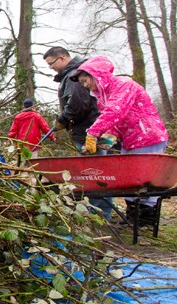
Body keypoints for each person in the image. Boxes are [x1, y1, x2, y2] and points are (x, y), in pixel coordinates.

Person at [70, 56, 169, 225]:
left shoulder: (124, 85)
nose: (85, 85)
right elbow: (113, 122)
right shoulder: (103, 96)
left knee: (145, 179)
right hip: (130, 140)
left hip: (148, 136)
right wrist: (107, 140)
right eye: (82, 83)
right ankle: (134, 217)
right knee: (130, 178)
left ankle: (146, 219)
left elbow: (115, 112)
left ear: (97, 75)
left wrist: (93, 133)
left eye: (85, 80)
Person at [44, 46, 112, 221]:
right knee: (96, 172)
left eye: (51, 63)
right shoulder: (71, 76)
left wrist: (63, 119)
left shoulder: (75, 75)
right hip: (85, 131)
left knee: (96, 174)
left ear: (62, 58)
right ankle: (98, 212)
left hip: (89, 132)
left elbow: (77, 104)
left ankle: (100, 215)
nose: (51, 68)